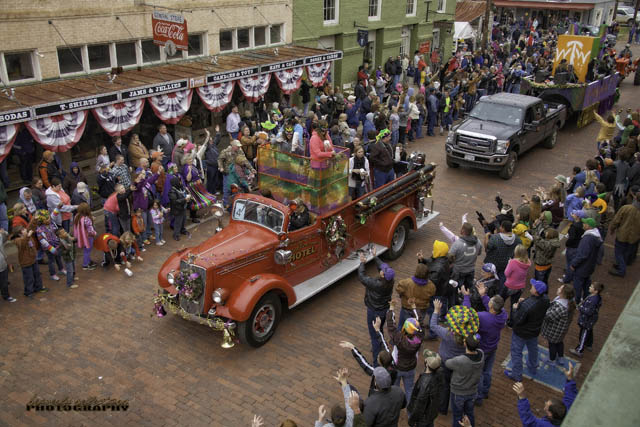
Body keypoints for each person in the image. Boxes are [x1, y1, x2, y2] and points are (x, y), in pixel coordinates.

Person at [461, 283, 506, 406]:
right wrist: (484, 296)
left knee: (479, 374)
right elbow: (492, 309)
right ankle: (485, 391)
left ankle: (479, 396)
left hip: (482, 349)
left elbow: (468, 314)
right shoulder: (502, 315)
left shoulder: (482, 317)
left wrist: (466, 297)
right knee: (488, 371)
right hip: (493, 346)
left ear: (491, 307)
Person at [430, 300, 474, 415]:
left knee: (445, 385)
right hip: (460, 363)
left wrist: (436, 311)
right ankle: (457, 407)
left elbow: (433, 325)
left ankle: (442, 408)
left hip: (445, 362)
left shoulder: (448, 334)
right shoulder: (468, 336)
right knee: (455, 385)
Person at [505, 279, 550, 382]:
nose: (531, 286)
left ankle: (516, 374)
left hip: (521, 332)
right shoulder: (545, 299)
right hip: (534, 331)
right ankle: (533, 367)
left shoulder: (527, 306)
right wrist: (524, 302)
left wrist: (516, 308)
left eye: (533, 286)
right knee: (533, 349)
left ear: (536, 291)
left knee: (516, 352)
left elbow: (517, 320)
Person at [340, 319, 398, 397]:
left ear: (381, 362)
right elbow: (383, 344)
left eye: (378, 357)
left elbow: (365, 364)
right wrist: (377, 330)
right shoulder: (392, 362)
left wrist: (352, 348)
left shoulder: (377, 373)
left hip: (377, 396)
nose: (377, 356)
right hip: (389, 392)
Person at [358, 249, 395, 367]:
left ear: (382, 274)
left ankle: (376, 364)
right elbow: (382, 266)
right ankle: (380, 344)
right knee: (379, 330)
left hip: (374, 311)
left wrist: (362, 263)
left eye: (382, 271)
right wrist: (375, 256)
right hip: (384, 310)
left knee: (374, 336)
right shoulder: (390, 280)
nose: (380, 270)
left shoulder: (376, 284)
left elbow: (362, 277)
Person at [512, 364, 578, 427]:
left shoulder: (546, 425)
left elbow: (529, 421)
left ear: (550, 414)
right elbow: (570, 397)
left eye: (546, 406)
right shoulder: (566, 410)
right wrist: (570, 379)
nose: (545, 403)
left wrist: (522, 397)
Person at [387, 302, 424, 404]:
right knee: (409, 390)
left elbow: (391, 326)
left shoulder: (398, 338)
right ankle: (410, 413)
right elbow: (420, 321)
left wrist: (391, 309)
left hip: (397, 367)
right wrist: (414, 308)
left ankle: (395, 408)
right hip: (410, 368)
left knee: (395, 389)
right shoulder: (419, 338)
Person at [446, 334, 484, 427]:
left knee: (457, 416)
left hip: (458, 393)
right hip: (472, 391)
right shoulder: (481, 354)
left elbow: (447, 363)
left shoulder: (461, 360)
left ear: (465, 344)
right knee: (469, 413)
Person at [407, 350, 444, 427]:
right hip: (431, 413)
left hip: (422, 419)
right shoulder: (440, 373)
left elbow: (419, 406)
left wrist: (412, 420)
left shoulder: (424, 383)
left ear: (427, 364)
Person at [541, 284, 575, 368]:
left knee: (552, 344)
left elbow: (548, 316)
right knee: (559, 342)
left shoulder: (561, 307)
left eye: (560, 288)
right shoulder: (568, 303)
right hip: (561, 330)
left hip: (554, 330)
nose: (558, 288)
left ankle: (551, 360)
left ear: (564, 293)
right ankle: (560, 357)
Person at [608, 189, 640, 277]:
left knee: (618, 252)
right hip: (634, 237)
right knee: (626, 252)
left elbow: (616, 220)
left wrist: (612, 229)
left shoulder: (626, 208)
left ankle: (621, 270)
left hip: (622, 234)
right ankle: (621, 265)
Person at [395, 263, 436, 331]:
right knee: (415, 326)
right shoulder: (431, 286)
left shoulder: (406, 282)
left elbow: (398, 289)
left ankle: (398, 339)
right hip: (421, 309)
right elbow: (432, 295)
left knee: (401, 325)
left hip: (407, 307)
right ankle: (412, 340)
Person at [570, 217, 602, 303]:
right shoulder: (597, 236)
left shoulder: (587, 239)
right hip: (590, 266)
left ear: (588, 226)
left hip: (582, 267)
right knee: (586, 283)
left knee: (578, 285)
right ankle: (586, 298)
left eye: (584, 223)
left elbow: (582, 254)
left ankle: (576, 301)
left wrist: (574, 264)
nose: (583, 224)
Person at [570, 281, 604, 357]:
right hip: (589, 321)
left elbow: (589, 312)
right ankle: (588, 344)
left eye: (591, 287)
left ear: (596, 291)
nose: (589, 287)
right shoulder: (595, 297)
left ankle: (579, 350)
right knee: (589, 331)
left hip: (587, 320)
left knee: (584, 334)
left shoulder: (593, 300)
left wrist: (580, 307)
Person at [12, 226, 47, 298]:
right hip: (26, 263)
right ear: (19, 233)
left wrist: (35, 218)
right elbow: (23, 243)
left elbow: (31, 226)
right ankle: (28, 292)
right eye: (23, 230)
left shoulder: (28, 236)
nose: (25, 230)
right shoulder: (18, 240)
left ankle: (38, 287)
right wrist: (28, 236)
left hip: (33, 260)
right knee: (29, 278)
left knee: (37, 274)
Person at [218, 140, 255, 208]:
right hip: (227, 172)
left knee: (238, 188)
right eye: (237, 146)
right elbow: (220, 159)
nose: (239, 147)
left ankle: (239, 203)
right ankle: (225, 204)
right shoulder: (225, 151)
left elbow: (244, 160)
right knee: (227, 189)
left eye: (239, 146)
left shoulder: (240, 151)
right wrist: (221, 167)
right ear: (233, 146)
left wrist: (251, 168)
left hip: (237, 172)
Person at [484, 220, 521, 287]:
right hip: (506, 264)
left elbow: (487, 248)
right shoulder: (517, 239)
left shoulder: (495, 238)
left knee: (489, 281)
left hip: (493, 263)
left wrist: (486, 237)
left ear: (503, 228)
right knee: (502, 280)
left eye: (501, 226)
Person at [448, 222, 482, 290]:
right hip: (471, 270)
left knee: (457, 289)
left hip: (458, 272)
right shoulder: (478, 242)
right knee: (469, 289)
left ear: (463, 230)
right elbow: (479, 253)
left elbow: (449, 257)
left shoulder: (457, 244)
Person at [183, 154, 216, 222]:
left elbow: (198, 173)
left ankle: (194, 215)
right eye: (189, 159)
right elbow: (188, 179)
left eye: (191, 159)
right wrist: (189, 171)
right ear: (186, 161)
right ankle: (193, 217)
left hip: (197, 185)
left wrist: (199, 178)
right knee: (194, 201)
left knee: (197, 200)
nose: (191, 160)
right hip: (192, 186)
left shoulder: (193, 166)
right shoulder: (186, 168)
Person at [34, 209, 65, 281]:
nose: (49, 219)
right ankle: (53, 274)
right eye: (47, 218)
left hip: (57, 244)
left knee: (58, 257)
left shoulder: (52, 223)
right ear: (42, 220)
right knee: (51, 261)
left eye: (49, 217)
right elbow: (42, 241)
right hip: (49, 248)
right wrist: (50, 248)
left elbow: (54, 215)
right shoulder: (39, 230)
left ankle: (61, 269)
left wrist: (57, 208)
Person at [503, 244, 531, 314]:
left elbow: (506, 273)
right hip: (521, 287)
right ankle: (512, 321)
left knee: (501, 300)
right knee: (514, 305)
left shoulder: (513, 262)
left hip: (510, 286)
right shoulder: (527, 262)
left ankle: (498, 316)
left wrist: (509, 263)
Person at [73, 202, 97, 271]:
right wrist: (95, 233)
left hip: (81, 237)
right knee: (87, 250)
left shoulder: (77, 216)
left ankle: (88, 261)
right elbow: (90, 230)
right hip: (88, 237)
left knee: (85, 250)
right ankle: (85, 265)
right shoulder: (87, 219)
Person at [169, 176, 190, 241]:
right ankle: (176, 235)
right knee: (178, 222)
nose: (180, 182)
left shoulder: (180, 188)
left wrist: (188, 193)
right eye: (179, 181)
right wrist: (184, 199)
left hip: (183, 207)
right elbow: (175, 201)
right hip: (177, 209)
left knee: (183, 220)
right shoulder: (172, 191)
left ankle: (182, 230)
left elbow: (184, 193)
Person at [0, 229, 14, 302]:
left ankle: (6, 296)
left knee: (4, 281)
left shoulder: (0, 236)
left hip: (2, 263)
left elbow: (5, 238)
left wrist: (4, 232)